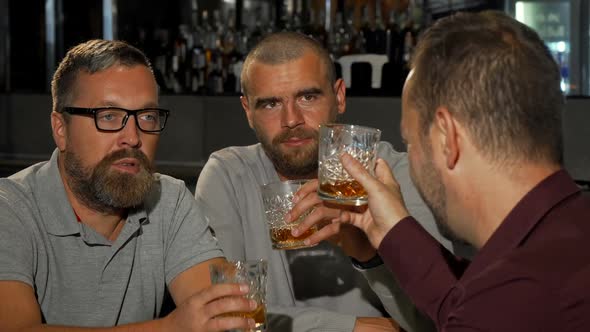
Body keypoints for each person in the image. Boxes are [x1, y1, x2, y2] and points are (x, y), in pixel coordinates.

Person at [293, 11, 590, 331]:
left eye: (410, 140)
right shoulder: (566, 234)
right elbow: (462, 301)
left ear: (447, 139)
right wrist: (389, 229)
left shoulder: (512, 298)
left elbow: (482, 308)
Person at [195, 31, 470, 332]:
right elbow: (224, 317)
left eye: (308, 97)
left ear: (339, 96)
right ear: (248, 111)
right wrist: (352, 328)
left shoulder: (390, 173)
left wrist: (368, 254)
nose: (291, 120)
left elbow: (443, 319)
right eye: (271, 104)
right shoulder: (229, 175)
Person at [0, 39, 258, 331]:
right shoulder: (9, 209)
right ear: (61, 129)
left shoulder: (168, 200)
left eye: (147, 116)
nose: (133, 138)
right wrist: (167, 329)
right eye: (108, 117)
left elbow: (219, 317)